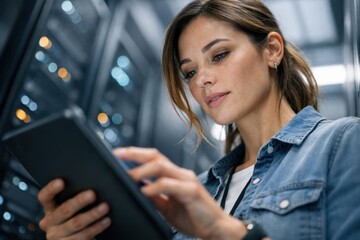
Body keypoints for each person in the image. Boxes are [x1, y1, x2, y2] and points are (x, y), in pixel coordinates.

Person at [37, 0, 360, 239]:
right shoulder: (194, 191)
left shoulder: (344, 143)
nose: (201, 80)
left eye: (219, 55)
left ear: (272, 50)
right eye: (190, 71)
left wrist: (225, 231)